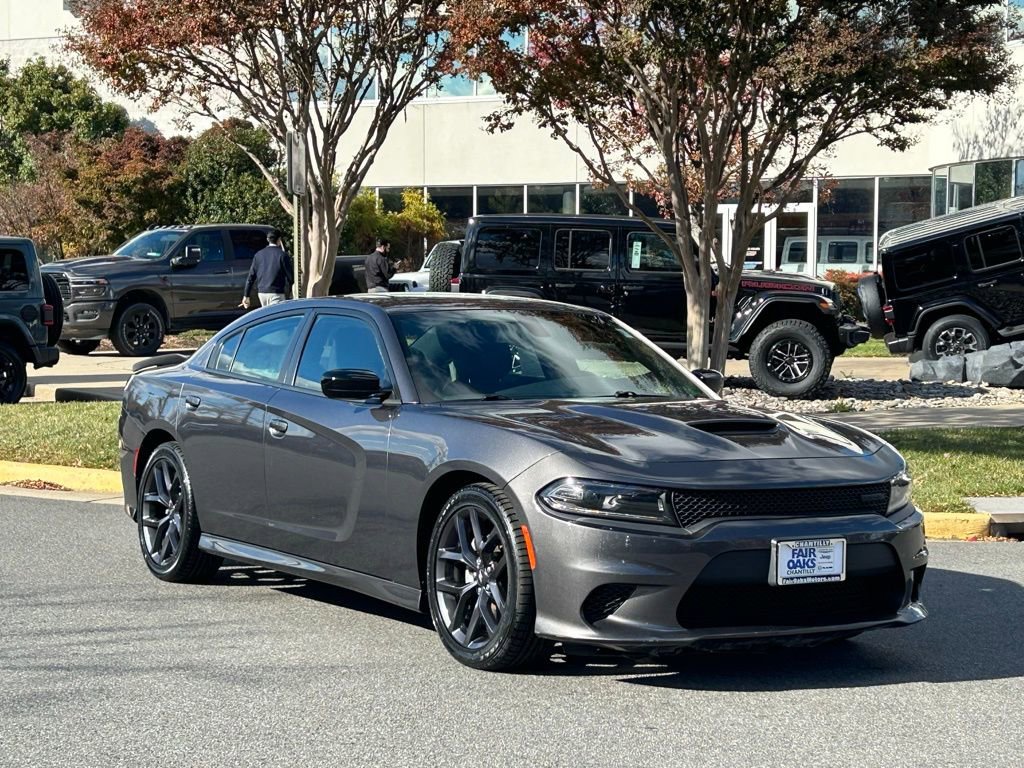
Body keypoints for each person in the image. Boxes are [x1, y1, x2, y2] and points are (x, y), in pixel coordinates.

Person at [241, 229, 293, 308]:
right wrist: (291, 292)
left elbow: (251, 277)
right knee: (277, 317)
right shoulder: (282, 255)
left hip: (262, 293)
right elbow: (290, 277)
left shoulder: (258, 255)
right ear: (279, 240)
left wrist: (246, 295)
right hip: (276, 293)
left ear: (268, 240)